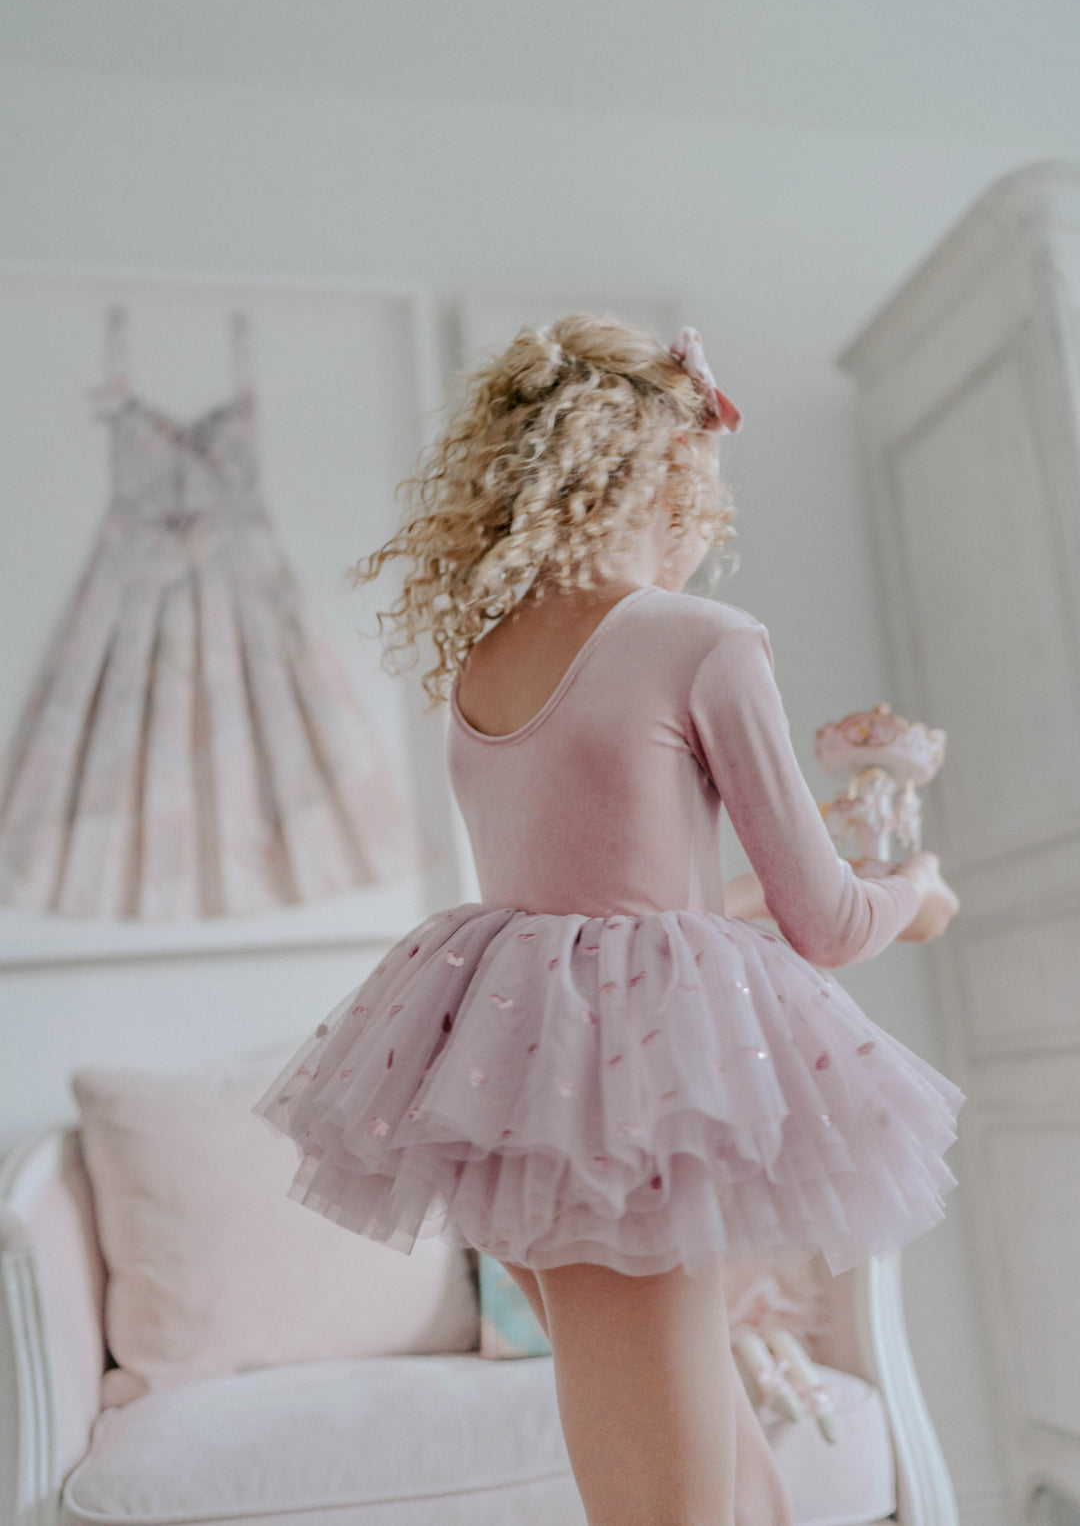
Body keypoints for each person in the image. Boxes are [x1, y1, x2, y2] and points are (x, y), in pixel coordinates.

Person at [254, 314, 963, 1526]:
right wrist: (918, 894)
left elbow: (626, 911)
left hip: (516, 1089)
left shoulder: (486, 660)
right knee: (678, 1505)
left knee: (739, 1485)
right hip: (633, 1108)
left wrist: (796, 890)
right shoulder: (701, 638)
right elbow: (829, 922)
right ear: (671, 473)